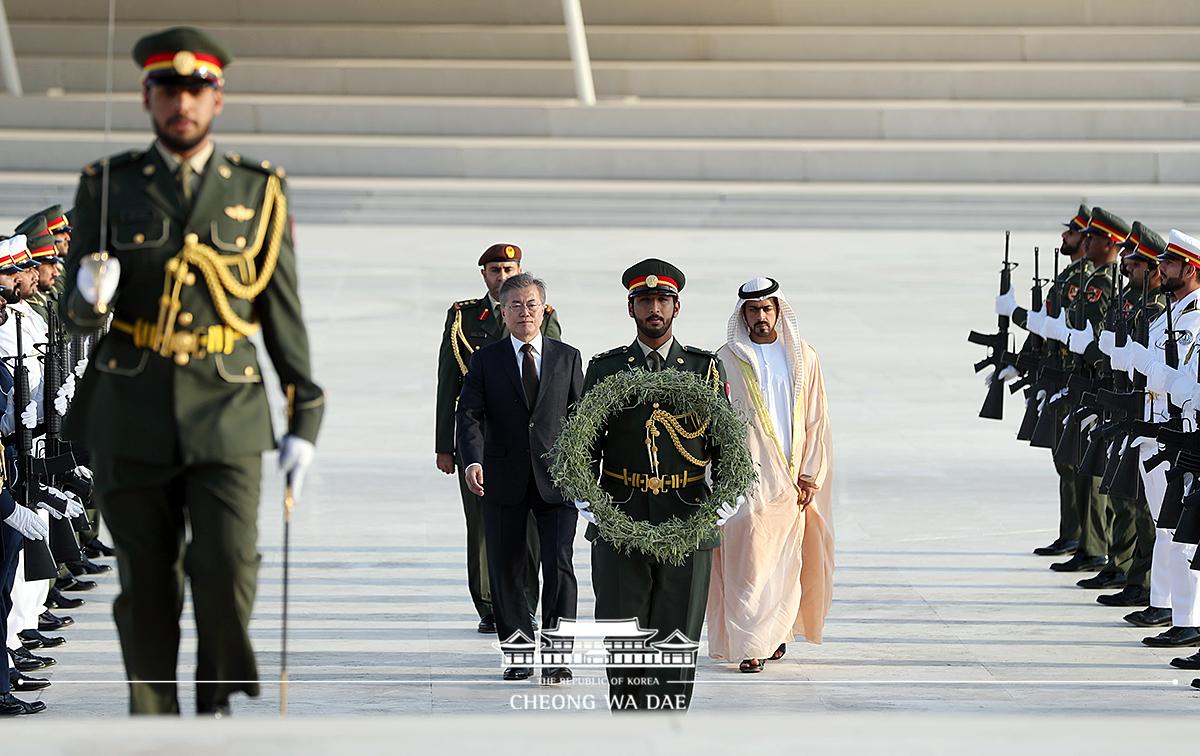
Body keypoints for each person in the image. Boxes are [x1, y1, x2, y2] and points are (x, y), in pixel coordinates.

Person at [58, 26, 324, 715]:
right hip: (131, 403)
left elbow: (279, 309)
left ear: (218, 99)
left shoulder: (258, 190)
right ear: (146, 97)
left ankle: (213, 705)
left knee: (227, 565)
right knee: (146, 579)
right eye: (168, 90)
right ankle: (153, 718)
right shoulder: (107, 184)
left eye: (196, 90)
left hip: (227, 404)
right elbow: (75, 312)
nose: (183, 102)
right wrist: (88, 298)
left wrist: (305, 418)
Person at [579, 258, 729, 713]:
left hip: (686, 512)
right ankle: (629, 720)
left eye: (662, 299)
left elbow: (725, 442)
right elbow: (585, 440)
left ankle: (668, 721)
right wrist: (586, 497)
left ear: (677, 307)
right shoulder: (606, 369)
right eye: (645, 300)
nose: (654, 308)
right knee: (622, 626)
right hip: (620, 513)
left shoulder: (703, 369)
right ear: (631, 309)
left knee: (678, 628)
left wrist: (725, 497)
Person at [455, 272, 582, 684]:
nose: (524, 313)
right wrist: (472, 461)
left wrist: (584, 471)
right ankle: (519, 653)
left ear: (544, 310)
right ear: (502, 312)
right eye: (515, 306)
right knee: (507, 568)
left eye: (531, 305)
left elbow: (581, 418)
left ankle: (559, 655)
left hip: (557, 480)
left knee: (558, 566)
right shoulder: (486, 359)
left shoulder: (567, 357)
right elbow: (469, 414)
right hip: (502, 479)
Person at [707, 277, 834, 673]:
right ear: (742, 314)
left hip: (792, 476)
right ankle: (749, 645)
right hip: (745, 476)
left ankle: (775, 634)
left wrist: (811, 473)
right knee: (747, 560)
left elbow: (817, 417)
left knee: (785, 562)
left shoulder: (803, 357)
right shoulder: (725, 359)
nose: (760, 317)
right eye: (752, 310)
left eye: (767, 309)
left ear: (778, 311)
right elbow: (712, 421)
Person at [435, 243, 559, 633]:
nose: (501, 276)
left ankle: (526, 600)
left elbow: (552, 377)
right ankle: (489, 603)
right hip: (481, 439)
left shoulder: (542, 314)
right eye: (494, 270)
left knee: (532, 532)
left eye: (508, 268)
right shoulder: (464, 318)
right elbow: (448, 383)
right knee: (483, 525)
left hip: (528, 440)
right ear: (484, 275)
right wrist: (445, 444)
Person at [997, 204, 1092, 557]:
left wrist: (1017, 313)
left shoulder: (1088, 281)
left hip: (1072, 379)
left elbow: (1057, 328)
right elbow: (1044, 330)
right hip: (1053, 377)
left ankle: (1087, 540)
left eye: (1071, 232)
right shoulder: (1069, 277)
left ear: (1085, 240)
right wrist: (1020, 362)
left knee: (1077, 464)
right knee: (1064, 462)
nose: (1064, 236)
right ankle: (1072, 533)